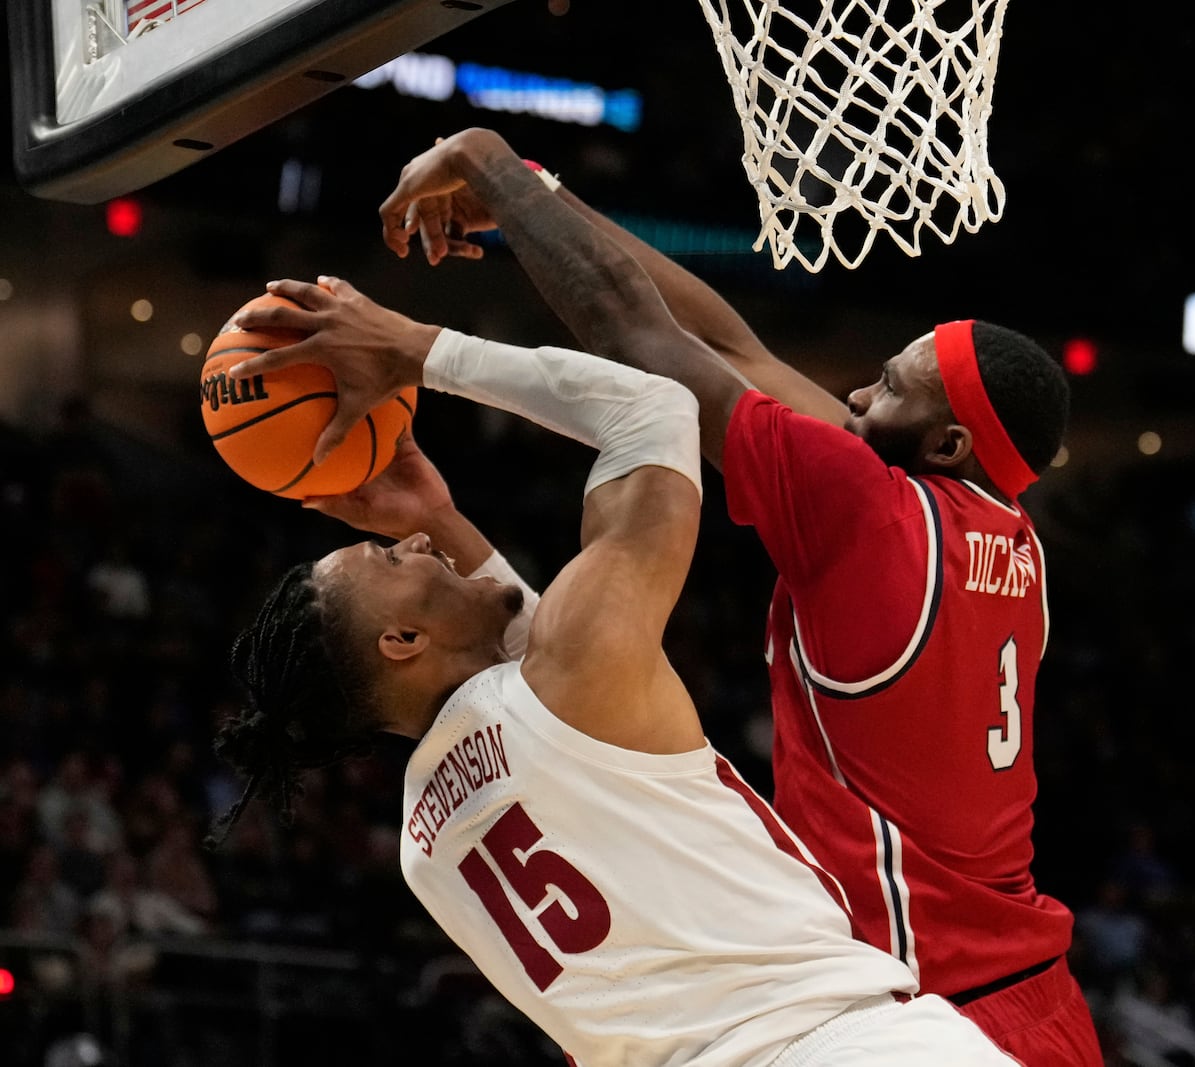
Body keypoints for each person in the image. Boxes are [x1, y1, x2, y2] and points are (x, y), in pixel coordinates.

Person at [350, 126, 1104, 1066]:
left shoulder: (870, 504)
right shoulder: (1006, 536)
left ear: (945, 444)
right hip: (1033, 997)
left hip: (929, 1012)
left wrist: (487, 161)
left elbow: (643, 341)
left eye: (889, 386)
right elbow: (726, 341)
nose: (857, 393)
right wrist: (534, 197)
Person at [213, 281, 1017, 1067]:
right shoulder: (566, 676)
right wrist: (422, 351)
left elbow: (538, 687)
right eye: (390, 557)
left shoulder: (425, 841)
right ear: (402, 638)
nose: (414, 548)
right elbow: (653, 408)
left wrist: (437, 518)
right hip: (836, 1043)